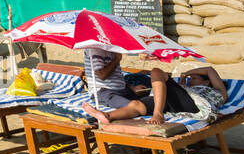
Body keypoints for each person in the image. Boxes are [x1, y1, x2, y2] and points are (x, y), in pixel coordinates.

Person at [83, 49, 225, 125]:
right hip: (175, 102)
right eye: (190, 78)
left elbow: (210, 70)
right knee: (137, 104)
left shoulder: (216, 92)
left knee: (156, 72)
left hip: (193, 105)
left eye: (194, 79)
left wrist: (186, 73)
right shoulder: (185, 89)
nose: (190, 80)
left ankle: (158, 113)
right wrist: (184, 80)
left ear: (207, 82)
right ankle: (107, 116)